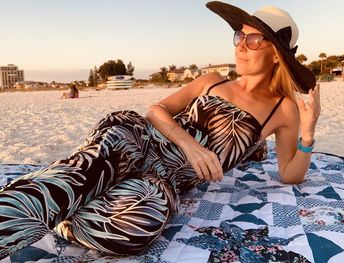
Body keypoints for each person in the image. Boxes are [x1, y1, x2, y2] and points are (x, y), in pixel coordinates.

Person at [0, 1, 320, 259]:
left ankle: (63, 211)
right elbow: (157, 111)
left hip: (167, 180)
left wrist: (308, 132)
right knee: (106, 154)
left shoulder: (284, 110)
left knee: (139, 225)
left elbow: (290, 175)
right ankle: (35, 208)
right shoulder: (213, 81)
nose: (241, 45)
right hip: (143, 140)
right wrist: (190, 144)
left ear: (277, 55)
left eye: (254, 39)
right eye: (240, 35)